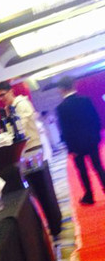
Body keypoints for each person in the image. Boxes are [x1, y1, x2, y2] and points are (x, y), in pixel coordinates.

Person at [56, 75, 105, 205]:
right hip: (91, 140)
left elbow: (66, 130)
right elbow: (95, 119)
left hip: (76, 145)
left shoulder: (61, 108)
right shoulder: (85, 100)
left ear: (61, 89)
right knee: (98, 167)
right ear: (73, 85)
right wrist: (97, 137)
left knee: (82, 171)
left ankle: (89, 196)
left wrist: (70, 149)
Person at [0, 81, 52, 161]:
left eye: (2, 95)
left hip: (31, 147)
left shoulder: (21, 104)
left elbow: (20, 129)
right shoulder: (9, 108)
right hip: (23, 149)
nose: (0, 99)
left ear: (11, 91)